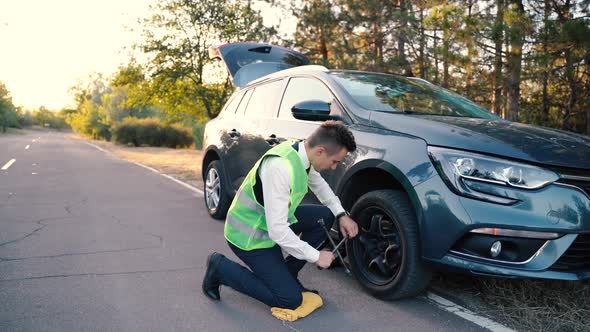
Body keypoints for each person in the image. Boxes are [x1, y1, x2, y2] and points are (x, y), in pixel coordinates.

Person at [202, 120, 358, 310]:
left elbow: (320, 187)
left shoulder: (303, 155)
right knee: (289, 300)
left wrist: (342, 214)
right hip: (249, 236)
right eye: (335, 161)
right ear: (321, 151)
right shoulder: (280, 167)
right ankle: (220, 268)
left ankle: (287, 277)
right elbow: (277, 232)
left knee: (324, 216)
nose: (334, 167)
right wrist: (316, 256)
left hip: (272, 223)